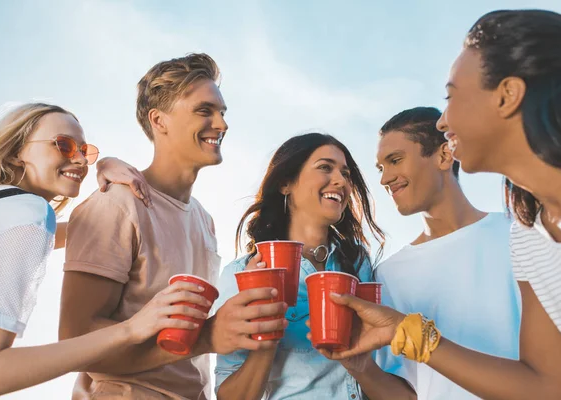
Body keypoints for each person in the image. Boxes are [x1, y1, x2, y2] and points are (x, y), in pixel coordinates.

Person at [317, 9, 561, 400]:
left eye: (451, 97)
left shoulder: (514, 235)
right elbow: (547, 386)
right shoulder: (533, 238)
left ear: (508, 94)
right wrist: (394, 345)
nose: (445, 122)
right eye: (379, 167)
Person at [59, 53, 287, 399]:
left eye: (222, 112)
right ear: (159, 120)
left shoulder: (203, 220)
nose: (221, 124)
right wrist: (206, 337)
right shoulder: (116, 204)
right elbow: (76, 343)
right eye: (204, 110)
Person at [0, 103, 202, 400]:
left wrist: (107, 164)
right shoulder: (28, 214)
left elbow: (76, 231)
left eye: (84, 151)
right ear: (16, 152)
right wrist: (131, 329)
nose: (80, 160)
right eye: (63, 145)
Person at [340, 107, 520, 400]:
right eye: (381, 168)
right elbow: (407, 395)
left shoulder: (519, 234)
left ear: (444, 155)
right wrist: (361, 368)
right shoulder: (389, 275)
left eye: (395, 160)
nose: (385, 179)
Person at [214, 133, 385, 399]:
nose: (341, 181)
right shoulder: (241, 274)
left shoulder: (358, 264)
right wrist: (266, 332)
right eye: (325, 167)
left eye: (346, 173)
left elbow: (377, 370)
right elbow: (229, 396)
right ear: (285, 183)